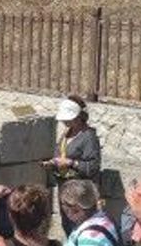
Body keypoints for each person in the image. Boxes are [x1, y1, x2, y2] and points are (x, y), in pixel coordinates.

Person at [43, 96, 101, 235]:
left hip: (80, 193)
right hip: (65, 189)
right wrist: (53, 163)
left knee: (80, 225)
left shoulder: (88, 137)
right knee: (68, 224)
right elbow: (61, 154)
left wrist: (71, 163)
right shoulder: (66, 134)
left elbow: (93, 166)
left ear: (77, 117)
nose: (64, 122)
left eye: (67, 119)